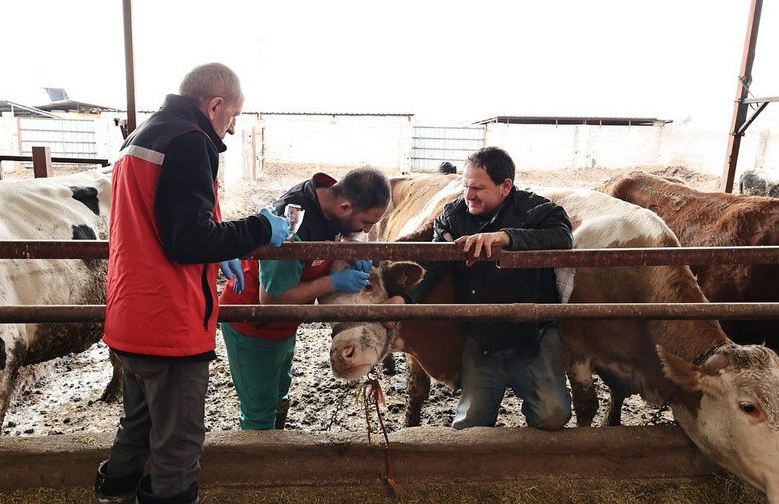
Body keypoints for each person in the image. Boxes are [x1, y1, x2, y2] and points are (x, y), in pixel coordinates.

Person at [93, 63, 291, 504]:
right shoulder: (189, 141)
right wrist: (259, 228)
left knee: (137, 427)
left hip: (131, 316)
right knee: (178, 447)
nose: (231, 129)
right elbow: (187, 238)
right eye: (233, 117)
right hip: (170, 325)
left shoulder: (141, 138)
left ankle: (113, 496)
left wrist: (220, 248)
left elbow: (159, 225)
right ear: (215, 104)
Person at [389, 146, 573, 431]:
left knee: (554, 416)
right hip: (483, 335)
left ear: (505, 186)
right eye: (465, 186)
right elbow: (433, 263)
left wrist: (505, 238)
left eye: (477, 188)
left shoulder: (537, 209)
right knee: (469, 424)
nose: (469, 195)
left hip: (533, 334)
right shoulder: (452, 217)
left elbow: (561, 237)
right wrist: (405, 297)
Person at [219, 167, 391, 430]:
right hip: (252, 325)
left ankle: (275, 441)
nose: (366, 229)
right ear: (345, 207)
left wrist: (352, 241)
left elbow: (347, 229)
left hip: (286, 325)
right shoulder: (293, 226)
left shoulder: (330, 199)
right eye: (365, 223)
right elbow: (272, 301)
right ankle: (261, 464)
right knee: (259, 410)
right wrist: (332, 282)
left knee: (279, 394)